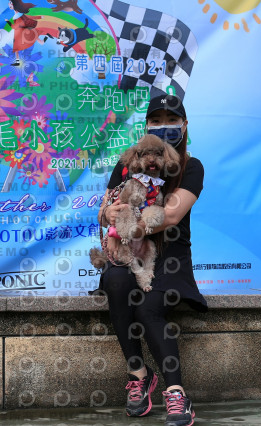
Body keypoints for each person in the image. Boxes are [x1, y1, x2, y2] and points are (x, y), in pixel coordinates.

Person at [97, 93, 208, 426]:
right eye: (156, 121)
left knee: (147, 308)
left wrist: (129, 223)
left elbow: (170, 215)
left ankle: (176, 393)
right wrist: (109, 213)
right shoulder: (126, 165)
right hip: (129, 252)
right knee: (115, 281)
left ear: (184, 125)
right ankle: (139, 375)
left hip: (171, 257)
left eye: (171, 120)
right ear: (146, 126)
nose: (164, 126)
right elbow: (104, 210)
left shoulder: (191, 167)